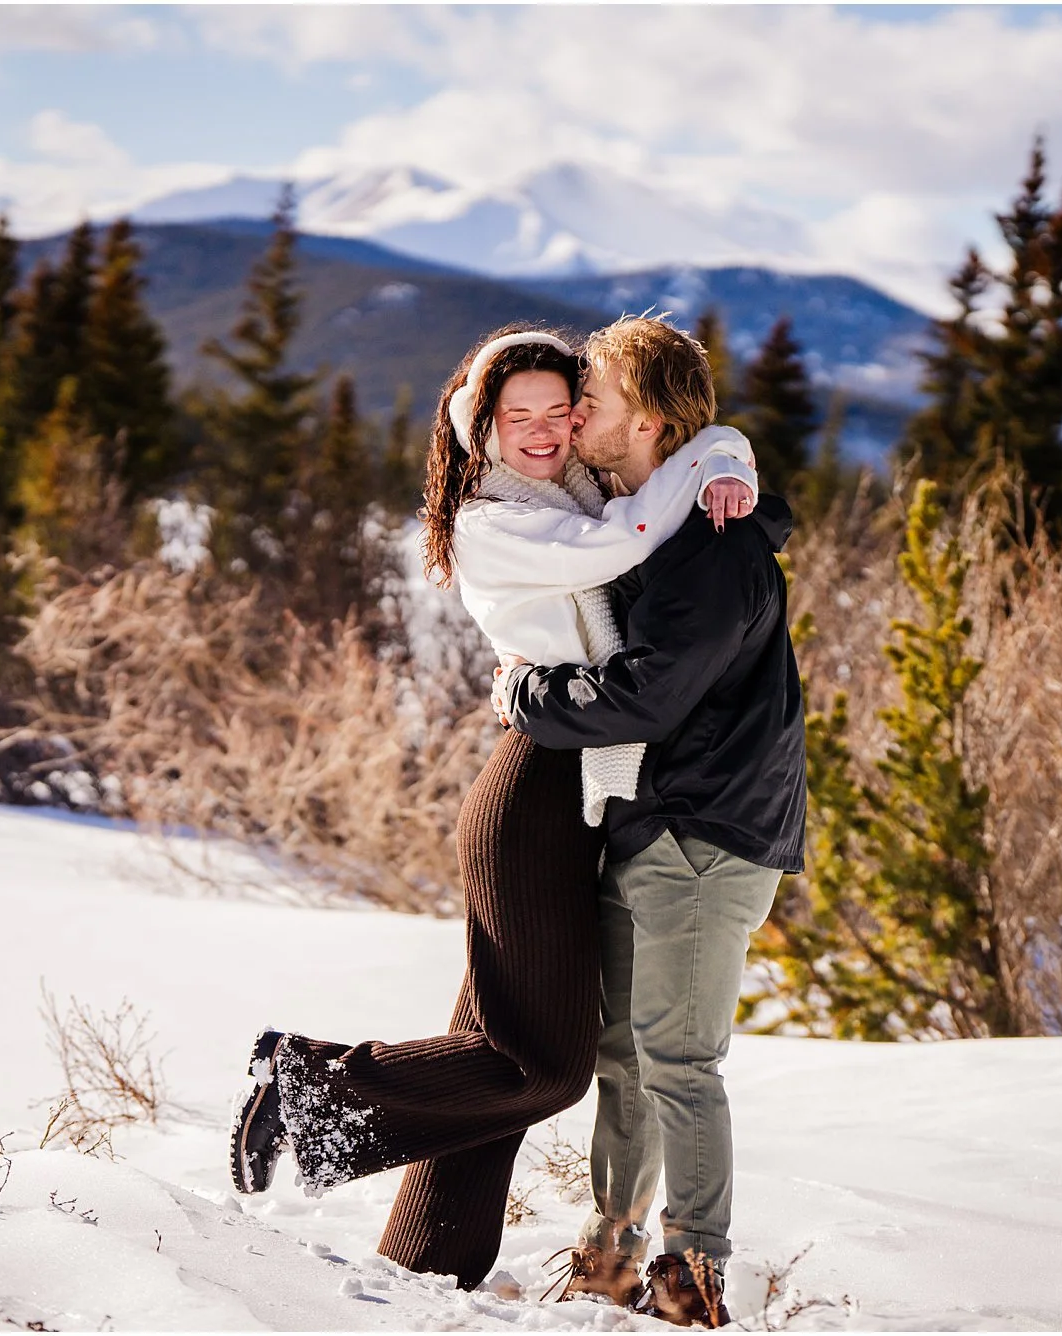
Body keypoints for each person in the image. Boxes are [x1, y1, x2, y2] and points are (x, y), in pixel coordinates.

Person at [228, 324, 759, 1294]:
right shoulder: (496, 517)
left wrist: (724, 453)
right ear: (480, 428)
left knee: (488, 1050)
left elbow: (672, 448)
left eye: (563, 408)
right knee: (542, 1066)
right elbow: (631, 536)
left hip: (577, 789)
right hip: (534, 793)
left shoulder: (575, 487)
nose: (546, 429)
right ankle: (306, 1085)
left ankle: (428, 1258)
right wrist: (710, 461)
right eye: (520, 416)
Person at [496, 316, 807, 1328]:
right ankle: (609, 1258)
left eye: (593, 397)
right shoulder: (656, 521)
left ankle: (690, 1275)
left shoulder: (712, 547)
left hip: (705, 834)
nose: (575, 411)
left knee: (678, 1060)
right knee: (622, 1060)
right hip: (651, 824)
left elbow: (645, 695)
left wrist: (526, 694)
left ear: (651, 421)